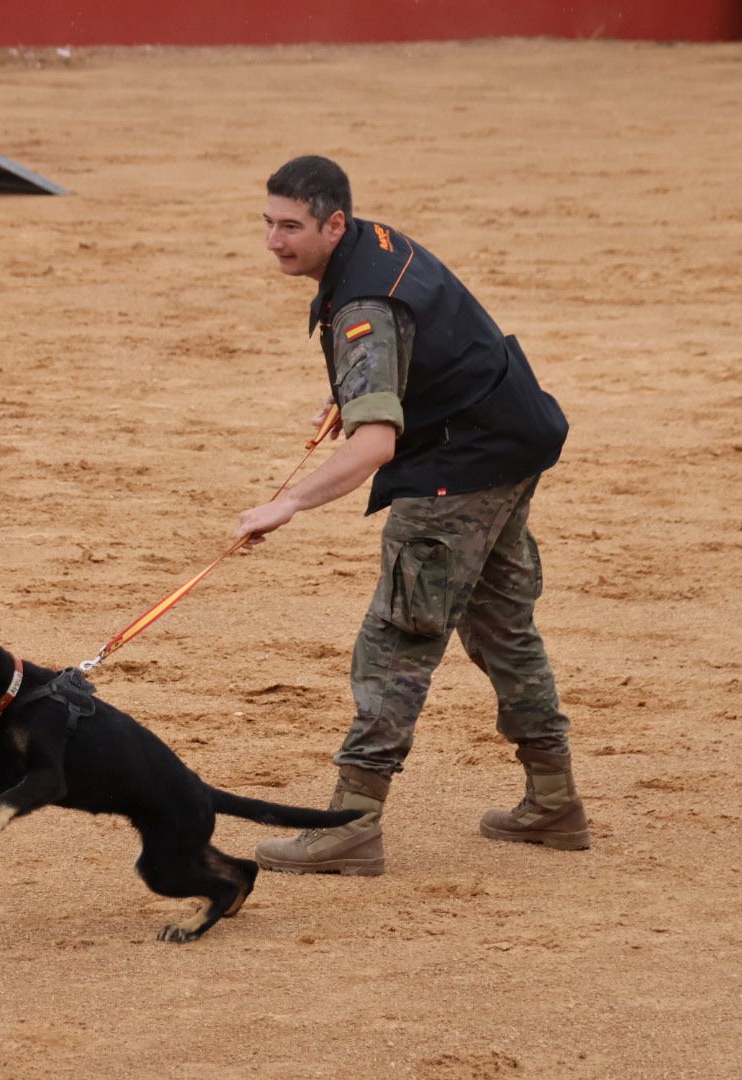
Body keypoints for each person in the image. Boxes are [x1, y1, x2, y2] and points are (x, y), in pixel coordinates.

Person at [234, 155, 588, 876]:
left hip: (459, 469)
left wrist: (288, 502)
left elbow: (374, 444)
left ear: (334, 223)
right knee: (501, 625)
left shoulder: (364, 303)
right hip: (512, 439)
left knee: (397, 640)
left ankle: (351, 825)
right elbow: (431, 345)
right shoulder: (378, 242)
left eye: (290, 226)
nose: (273, 241)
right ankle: (553, 799)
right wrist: (363, 390)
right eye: (267, 222)